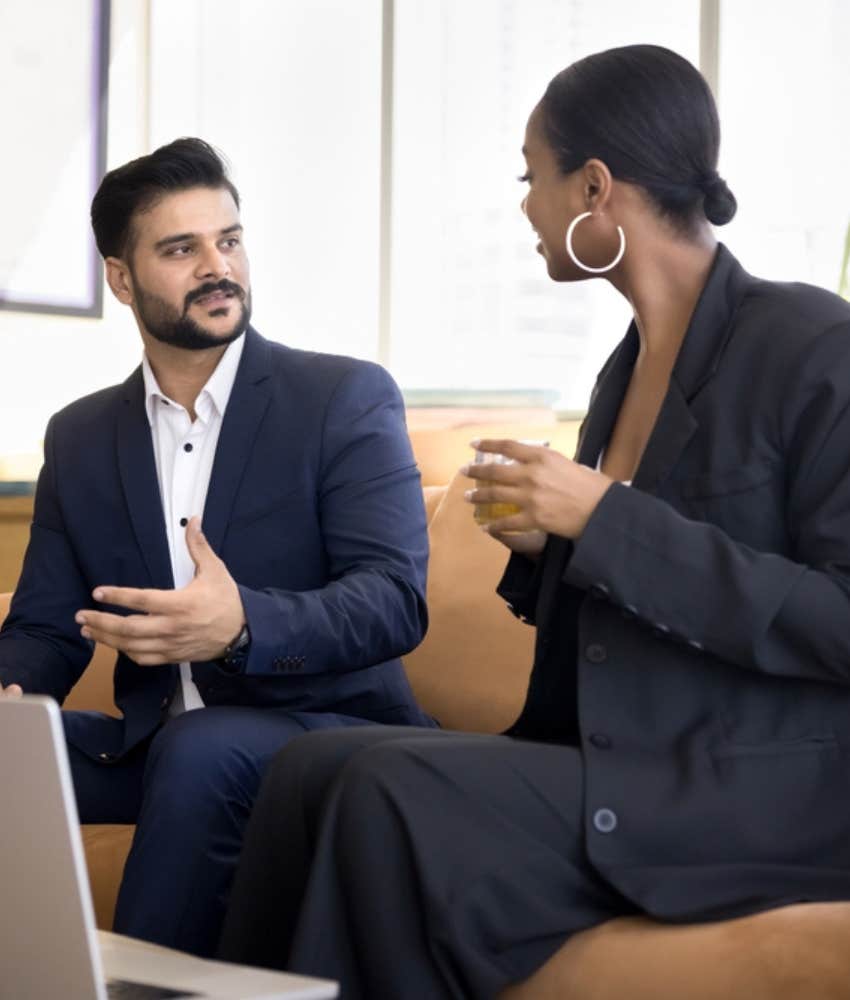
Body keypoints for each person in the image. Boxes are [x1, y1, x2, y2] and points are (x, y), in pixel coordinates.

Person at [217, 43, 850, 999]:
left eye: (531, 176)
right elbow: (629, 604)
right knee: (308, 771)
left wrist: (603, 519)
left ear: (595, 187)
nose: (524, 205)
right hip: (616, 754)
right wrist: (548, 550)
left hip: (750, 787)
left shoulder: (814, 347)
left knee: (384, 794)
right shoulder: (623, 371)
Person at [0, 137, 434, 957]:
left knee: (205, 748)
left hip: (334, 736)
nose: (216, 265)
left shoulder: (341, 398)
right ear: (121, 277)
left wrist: (240, 628)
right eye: (181, 248)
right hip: (156, 746)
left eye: (228, 239)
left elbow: (391, 601)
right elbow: (48, 629)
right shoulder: (84, 436)